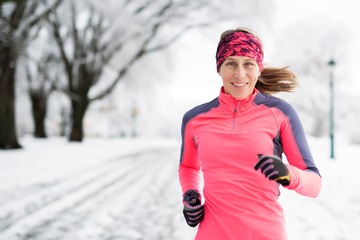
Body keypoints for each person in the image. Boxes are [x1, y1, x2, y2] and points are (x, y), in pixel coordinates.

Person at [178, 27, 322, 240]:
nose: (239, 74)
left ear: (259, 68)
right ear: (219, 68)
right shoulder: (195, 119)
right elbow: (188, 165)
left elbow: (315, 184)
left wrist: (288, 174)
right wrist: (191, 195)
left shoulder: (280, 114)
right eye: (231, 63)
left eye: (248, 64)